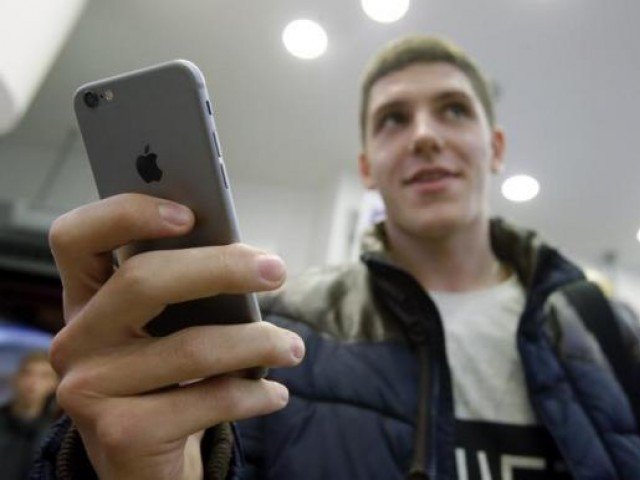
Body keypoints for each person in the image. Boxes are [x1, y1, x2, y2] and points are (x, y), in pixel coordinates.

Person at [33, 36, 640, 480]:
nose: (424, 135)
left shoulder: (608, 331)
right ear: (369, 169)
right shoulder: (278, 330)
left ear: (496, 147)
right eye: (393, 120)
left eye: (454, 109)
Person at [0, 350, 58, 479]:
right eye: (27, 373)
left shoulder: (56, 434)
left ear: (53, 385)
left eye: (44, 376)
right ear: (16, 378)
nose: (33, 382)